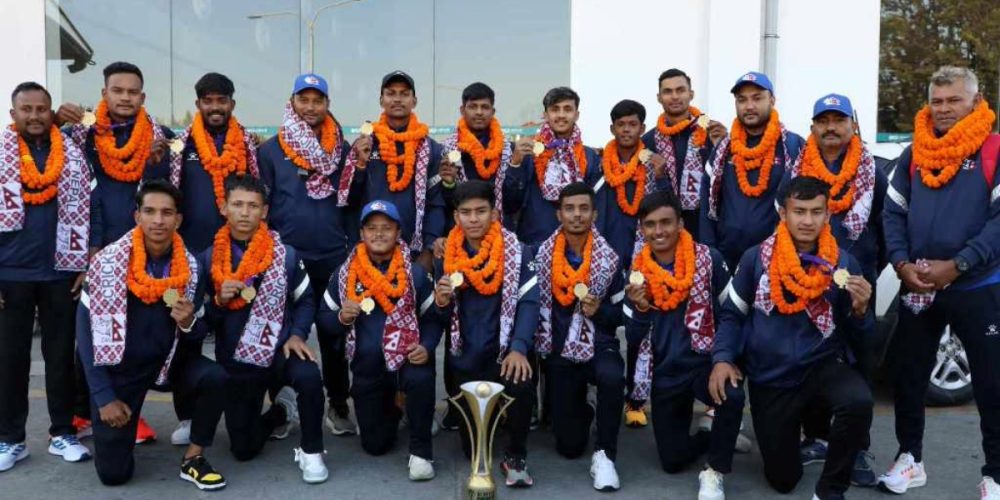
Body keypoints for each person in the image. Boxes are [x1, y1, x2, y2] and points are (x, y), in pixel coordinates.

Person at [711, 176, 874, 500]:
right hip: (772, 376)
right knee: (783, 480)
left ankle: (830, 489)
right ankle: (804, 437)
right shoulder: (755, 259)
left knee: (858, 401)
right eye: (799, 211)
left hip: (820, 366)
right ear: (783, 214)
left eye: (816, 212)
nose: (808, 220)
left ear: (828, 215)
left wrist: (860, 311)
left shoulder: (843, 263)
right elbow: (732, 315)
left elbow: (860, 336)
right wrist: (723, 358)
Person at [880, 66, 1000, 500]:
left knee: (991, 383)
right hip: (919, 286)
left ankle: (995, 474)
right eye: (938, 101)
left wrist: (961, 263)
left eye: (954, 100)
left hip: (978, 286)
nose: (945, 109)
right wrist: (899, 263)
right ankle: (910, 459)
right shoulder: (914, 154)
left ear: (975, 99)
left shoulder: (994, 149)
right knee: (909, 377)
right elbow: (892, 213)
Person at [58, 61, 175, 444]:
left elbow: (175, 185)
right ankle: (80, 411)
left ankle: (130, 407)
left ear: (143, 96)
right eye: (118, 90)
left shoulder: (160, 137)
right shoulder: (81, 135)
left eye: (133, 92)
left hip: (143, 250)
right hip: (92, 248)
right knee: (86, 332)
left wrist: (160, 160)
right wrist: (60, 121)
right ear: (105, 92)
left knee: (130, 332)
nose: (125, 97)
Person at [779, 93, 888, 486]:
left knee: (858, 365)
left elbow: (887, 225)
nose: (830, 128)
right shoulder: (797, 168)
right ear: (812, 128)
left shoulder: (873, 171)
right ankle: (819, 437)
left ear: (851, 125)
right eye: (822, 121)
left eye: (838, 120)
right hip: (807, 281)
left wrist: (867, 265)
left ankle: (858, 447)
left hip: (855, 282)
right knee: (813, 358)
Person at [76, 180, 212, 486]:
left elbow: (199, 330)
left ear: (178, 219)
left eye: (167, 213)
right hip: (121, 372)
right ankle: (121, 424)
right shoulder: (105, 263)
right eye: (150, 211)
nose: (158, 220)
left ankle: (194, 454)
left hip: (169, 363)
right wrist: (103, 397)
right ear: (137, 216)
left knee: (214, 377)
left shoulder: (191, 267)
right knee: (114, 475)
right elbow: (85, 335)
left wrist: (189, 322)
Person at [197, 176, 328, 484]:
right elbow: (200, 321)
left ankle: (312, 452)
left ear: (265, 211)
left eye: (253, 206)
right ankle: (281, 412)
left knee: (309, 375)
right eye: (238, 205)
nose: (245, 213)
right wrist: (217, 301)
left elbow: (306, 300)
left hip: (280, 350)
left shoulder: (287, 254)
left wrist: (297, 333)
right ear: (224, 208)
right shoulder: (207, 259)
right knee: (243, 449)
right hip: (238, 361)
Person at [623, 190, 740, 500]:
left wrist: (723, 359)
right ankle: (711, 434)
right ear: (642, 229)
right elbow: (633, 340)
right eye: (650, 224)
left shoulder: (709, 259)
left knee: (733, 393)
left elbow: (731, 313)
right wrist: (640, 308)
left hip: (703, 362)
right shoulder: (636, 272)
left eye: (666, 222)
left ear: (680, 224)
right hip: (665, 371)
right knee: (672, 462)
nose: (658, 231)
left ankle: (715, 469)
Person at [0, 82, 92, 471]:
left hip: (61, 272)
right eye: (27, 109)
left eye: (42, 109)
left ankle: (62, 433)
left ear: (50, 112)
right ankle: (10, 439)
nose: (34, 116)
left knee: (59, 359)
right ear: (13, 114)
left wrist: (84, 261)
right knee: (10, 360)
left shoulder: (72, 150)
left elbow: (93, 200)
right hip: (10, 275)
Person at [316, 200, 443, 481]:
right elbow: (323, 319)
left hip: (407, 362)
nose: (379, 234)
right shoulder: (343, 274)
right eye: (372, 228)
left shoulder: (415, 274)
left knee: (421, 378)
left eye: (387, 228)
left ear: (399, 233)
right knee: (375, 446)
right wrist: (341, 318)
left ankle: (421, 452)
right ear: (361, 233)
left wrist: (427, 346)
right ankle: (398, 409)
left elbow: (434, 319)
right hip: (368, 368)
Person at [258, 73, 356, 436]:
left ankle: (339, 402)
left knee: (334, 335)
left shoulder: (343, 150)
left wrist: (349, 245)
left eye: (318, 100)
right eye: (304, 99)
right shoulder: (269, 150)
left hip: (332, 256)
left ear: (327, 104)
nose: (311, 107)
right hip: (286, 258)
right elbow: (263, 205)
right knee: (281, 332)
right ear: (293, 102)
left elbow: (351, 203)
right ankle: (283, 406)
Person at [432, 180, 538, 487]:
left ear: (494, 214)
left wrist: (518, 346)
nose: (474, 218)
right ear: (456, 217)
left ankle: (516, 455)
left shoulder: (518, 251)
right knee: (470, 453)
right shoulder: (445, 255)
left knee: (520, 375)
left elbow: (530, 303)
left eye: (481, 211)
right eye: (466, 212)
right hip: (464, 357)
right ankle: (491, 420)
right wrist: (441, 304)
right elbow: (439, 315)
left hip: (504, 353)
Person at [534, 182, 625, 491]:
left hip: (599, 346)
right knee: (569, 448)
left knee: (612, 377)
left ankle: (605, 454)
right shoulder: (542, 255)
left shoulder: (610, 259)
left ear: (594, 214)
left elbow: (620, 316)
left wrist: (599, 311)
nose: (577, 215)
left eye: (583, 208)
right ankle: (583, 408)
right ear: (559, 214)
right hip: (561, 352)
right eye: (570, 209)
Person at [699, 71, 805, 271]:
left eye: (757, 98)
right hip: (726, 256)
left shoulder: (793, 146)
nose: (749, 106)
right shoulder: (723, 148)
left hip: (776, 257)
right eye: (742, 100)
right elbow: (707, 199)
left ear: (772, 100)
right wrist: (709, 250)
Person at [340, 71, 445, 270]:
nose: (397, 99)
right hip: (368, 251)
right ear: (382, 100)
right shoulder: (365, 144)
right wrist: (360, 165)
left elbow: (436, 204)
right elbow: (349, 201)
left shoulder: (431, 150)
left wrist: (428, 250)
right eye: (391, 93)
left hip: (415, 256)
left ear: (414, 101)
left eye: (404, 94)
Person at [504, 87, 603, 246]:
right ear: (545, 115)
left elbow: (596, 208)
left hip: (578, 248)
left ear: (576, 115)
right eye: (555, 109)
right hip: (535, 243)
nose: (561, 115)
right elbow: (509, 204)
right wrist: (515, 163)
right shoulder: (527, 152)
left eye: (567, 109)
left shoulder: (590, 157)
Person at [641, 68, 727, 236]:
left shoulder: (712, 131)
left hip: (707, 228)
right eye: (668, 91)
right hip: (664, 232)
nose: (674, 96)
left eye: (680, 90)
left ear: (691, 94)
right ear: (659, 98)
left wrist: (725, 145)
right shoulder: (647, 142)